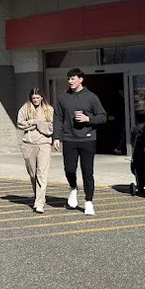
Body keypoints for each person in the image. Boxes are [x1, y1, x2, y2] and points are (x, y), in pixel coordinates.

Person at [53, 68, 107, 216]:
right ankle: (73, 188)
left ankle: (89, 202)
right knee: (69, 169)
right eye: (69, 78)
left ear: (81, 79)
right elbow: (57, 118)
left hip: (88, 139)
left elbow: (103, 116)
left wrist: (88, 119)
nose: (70, 81)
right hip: (69, 138)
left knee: (87, 172)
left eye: (73, 78)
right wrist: (56, 137)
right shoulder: (63, 97)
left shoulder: (91, 97)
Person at [17, 87, 54, 214]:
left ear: (42, 98)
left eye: (38, 98)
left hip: (44, 144)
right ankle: (38, 196)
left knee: (41, 174)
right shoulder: (25, 108)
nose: (35, 100)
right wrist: (31, 124)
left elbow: (50, 128)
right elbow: (20, 123)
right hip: (28, 144)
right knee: (33, 174)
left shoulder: (49, 110)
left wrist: (37, 123)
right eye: (33, 98)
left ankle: (39, 203)